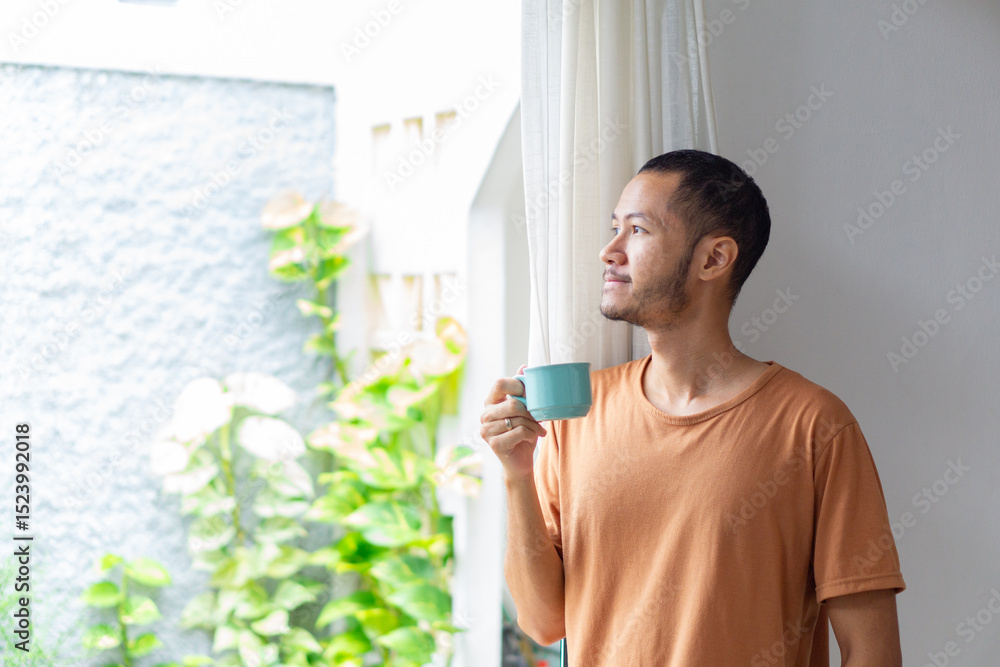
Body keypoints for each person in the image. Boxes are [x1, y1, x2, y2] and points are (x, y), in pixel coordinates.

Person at [479, 149, 905, 666]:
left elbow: (872, 652)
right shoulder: (579, 415)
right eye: (614, 228)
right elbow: (543, 620)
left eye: (637, 230)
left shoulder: (814, 426)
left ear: (714, 259)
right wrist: (517, 475)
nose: (610, 251)